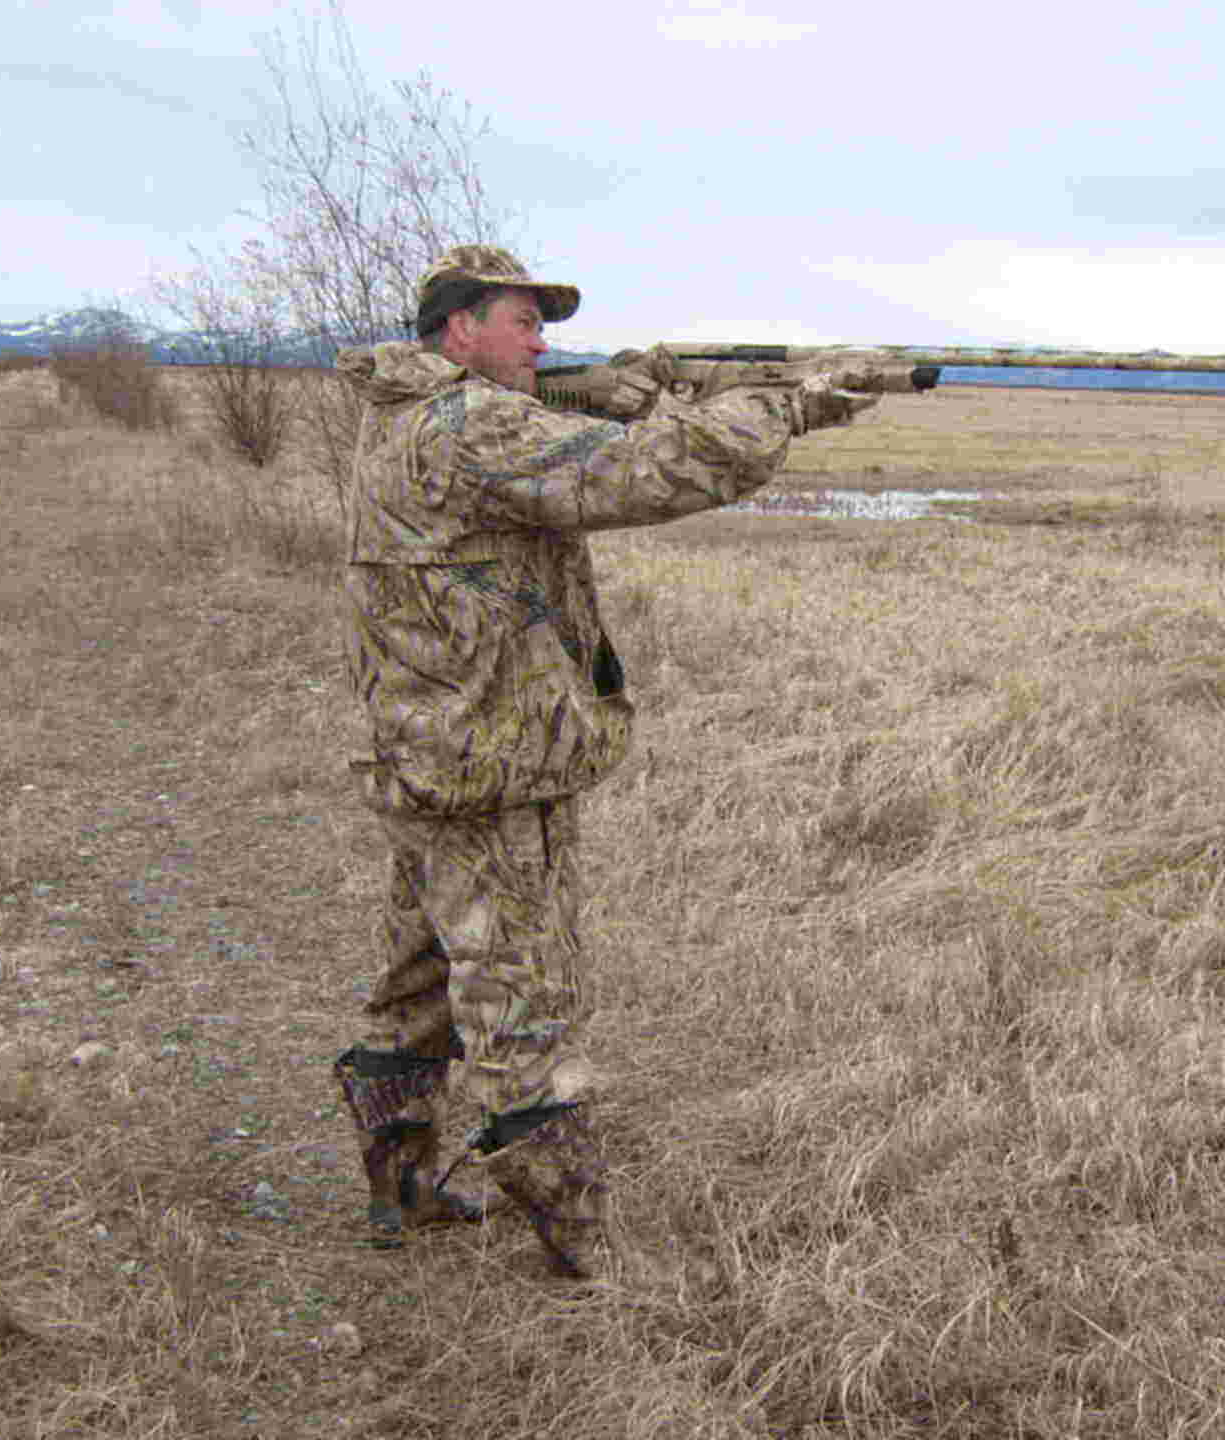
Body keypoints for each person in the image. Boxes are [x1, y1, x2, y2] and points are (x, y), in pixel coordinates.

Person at [331, 245, 877, 1278]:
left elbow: (548, 431)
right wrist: (790, 404)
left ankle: (399, 1191)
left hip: (427, 750)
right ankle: (589, 1246)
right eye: (523, 322)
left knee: (420, 982)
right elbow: (644, 472)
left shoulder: (402, 413)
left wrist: (622, 389)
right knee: (523, 996)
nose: (541, 343)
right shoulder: (469, 424)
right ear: (460, 329)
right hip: (493, 769)